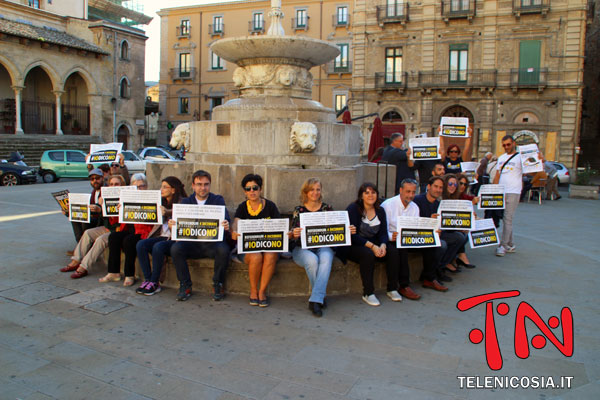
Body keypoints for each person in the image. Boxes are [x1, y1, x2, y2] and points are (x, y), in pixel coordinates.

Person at [137, 170, 231, 301]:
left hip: (211, 243)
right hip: (192, 244)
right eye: (199, 184)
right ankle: (185, 284)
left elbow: (225, 219)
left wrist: (226, 224)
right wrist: (172, 226)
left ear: (210, 185)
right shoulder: (186, 202)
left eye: (206, 184)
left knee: (223, 249)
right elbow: (178, 225)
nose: (203, 188)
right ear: (193, 185)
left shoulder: (217, 200)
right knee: (176, 248)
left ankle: (218, 283)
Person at [291, 178, 352, 317]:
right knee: (312, 260)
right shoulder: (298, 210)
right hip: (302, 248)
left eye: (318, 189)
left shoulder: (327, 208)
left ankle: (315, 300)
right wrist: (294, 233)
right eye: (312, 189)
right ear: (306, 192)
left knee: (326, 258)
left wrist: (347, 230)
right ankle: (319, 298)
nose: (315, 192)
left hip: (324, 245)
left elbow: (336, 228)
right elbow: (293, 234)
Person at [60, 175, 126, 279]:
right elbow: (102, 215)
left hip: (119, 230)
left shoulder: (126, 197)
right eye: (111, 184)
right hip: (108, 227)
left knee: (101, 240)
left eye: (117, 184)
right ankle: (76, 260)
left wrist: (101, 210)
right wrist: (98, 208)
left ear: (122, 185)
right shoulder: (104, 197)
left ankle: (83, 267)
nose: (113, 186)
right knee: (88, 233)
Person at [231, 174, 280, 307]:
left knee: (270, 255)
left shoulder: (270, 206)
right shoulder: (242, 207)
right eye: (248, 189)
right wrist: (234, 231)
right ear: (244, 191)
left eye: (255, 188)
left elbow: (279, 225)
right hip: (249, 249)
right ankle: (253, 290)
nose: (251, 191)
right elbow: (236, 223)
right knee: (256, 256)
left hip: (268, 245)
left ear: (260, 189)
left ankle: (262, 291)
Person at [134, 176, 187, 296]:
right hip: (161, 236)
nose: (161, 189)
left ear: (173, 190)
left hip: (174, 238)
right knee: (141, 244)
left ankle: (155, 282)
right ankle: (148, 279)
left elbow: (178, 211)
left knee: (158, 247)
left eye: (165, 187)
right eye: (161, 186)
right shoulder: (160, 202)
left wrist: (167, 212)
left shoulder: (183, 201)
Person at [493, 135, 543, 256]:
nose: (506, 147)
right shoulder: (501, 157)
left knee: (507, 218)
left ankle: (503, 245)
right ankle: (510, 244)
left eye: (508, 144)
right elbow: (498, 175)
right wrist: (493, 189)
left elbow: (532, 171)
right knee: (505, 218)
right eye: (504, 145)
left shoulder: (521, 157)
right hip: (501, 191)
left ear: (514, 143)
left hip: (513, 191)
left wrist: (539, 160)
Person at [99, 173, 152, 286]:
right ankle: (113, 272)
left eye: (141, 186)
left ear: (146, 186)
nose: (139, 189)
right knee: (114, 237)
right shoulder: (127, 198)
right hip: (129, 229)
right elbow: (115, 221)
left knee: (128, 241)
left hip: (143, 232)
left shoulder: (150, 198)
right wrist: (117, 211)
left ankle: (129, 274)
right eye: (135, 186)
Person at [345, 183, 389, 306]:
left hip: (374, 243)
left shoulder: (380, 210)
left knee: (394, 251)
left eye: (373, 192)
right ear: (361, 195)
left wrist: (383, 245)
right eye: (367, 192)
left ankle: (393, 288)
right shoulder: (353, 209)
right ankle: (368, 293)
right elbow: (352, 236)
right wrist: (372, 246)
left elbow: (383, 233)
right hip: (354, 244)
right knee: (368, 255)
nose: (370, 195)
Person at [381, 178, 422, 301]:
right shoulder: (388, 205)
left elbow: (415, 228)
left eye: (413, 192)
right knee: (395, 251)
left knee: (403, 248)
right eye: (408, 191)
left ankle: (404, 286)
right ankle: (393, 288)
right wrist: (390, 236)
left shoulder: (414, 207)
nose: (410, 195)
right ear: (400, 190)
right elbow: (381, 229)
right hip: (387, 238)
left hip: (404, 240)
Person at [412, 177, 449, 292]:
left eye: (441, 188)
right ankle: (430, 277)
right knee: (441, 245)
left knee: (458, 238)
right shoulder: (417, 201)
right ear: (428, 187)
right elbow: (412, 222)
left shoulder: (439, 204)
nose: (438, 190)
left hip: (434, 235)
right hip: (418, 235)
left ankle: (436, 271)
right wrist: (429, 221)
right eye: (436, 186)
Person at [69, 168, 104, 246]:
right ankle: (80, 245)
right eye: (92, 179)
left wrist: (99, 208)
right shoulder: (93, 192)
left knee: (86, 220)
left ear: (102, 178)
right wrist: (68, 211)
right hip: (94, 216)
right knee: (74, 218)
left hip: (102, 219)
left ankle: (84, 246)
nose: (95, 181)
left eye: (97, 178)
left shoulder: (105, 191)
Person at [454, 173, 478, 269]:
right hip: (452, 225)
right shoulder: (451, 195)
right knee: (461, 234)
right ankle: (461, 256)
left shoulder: (463, 196)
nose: (463, 186)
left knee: (468, 231)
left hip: (459, 224)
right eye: (460, 183)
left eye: (465, 184)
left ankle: (459, 256)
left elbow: (475, 199)